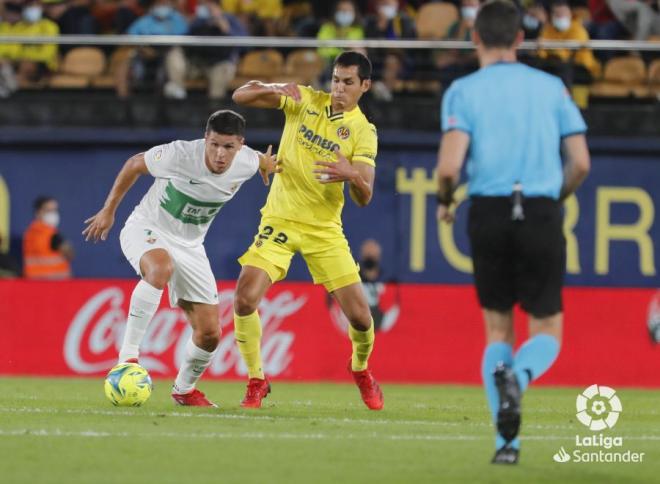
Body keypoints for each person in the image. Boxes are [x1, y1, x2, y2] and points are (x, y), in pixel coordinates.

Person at [435, 0, 590, 465]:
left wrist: (446, 200)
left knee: (497, 328)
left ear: (475, 37)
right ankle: (519, 378)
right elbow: (581, 162)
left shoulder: (462, 91)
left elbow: (448, 167)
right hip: (540, 208)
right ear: (521, 39)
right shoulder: (551, 87)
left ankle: (507, 445)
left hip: (489, 211)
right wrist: (554, 199)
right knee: (547, 329)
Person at [82, 110, 280, 407]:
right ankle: (127, 359)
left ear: (240, 144)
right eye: (213, 144)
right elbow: (134, 164)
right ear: (205, 138)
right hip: (147, 227)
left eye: (228, 147)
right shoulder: (179, 155)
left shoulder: (248, 162)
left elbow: (263, 160)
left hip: (190, 246)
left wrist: (269, 164)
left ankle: (184, 390)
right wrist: (109, 210)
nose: (219, 154)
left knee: (210, 333)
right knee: (160, 267)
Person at [231, 51, 384, 410]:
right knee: (243, 298)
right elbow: (240, 97)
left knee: (362, 318)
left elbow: (365, 196)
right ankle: (256, 379)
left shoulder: (364, 132)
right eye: (335, 79)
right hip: (280, 219)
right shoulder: (305, 100)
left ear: (365, 86)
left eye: (348, 82)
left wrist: (352, 175)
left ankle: (360, 368)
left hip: (324, 230)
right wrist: (272, 86)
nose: (338, 88)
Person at [23, 196, 74, 279]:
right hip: (54, 281)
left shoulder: (29, 233)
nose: (53, 214)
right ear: (38, 212)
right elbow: (70, 253)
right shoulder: (53, 235)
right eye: (49, 210)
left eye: (55, 210)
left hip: (32, 281)